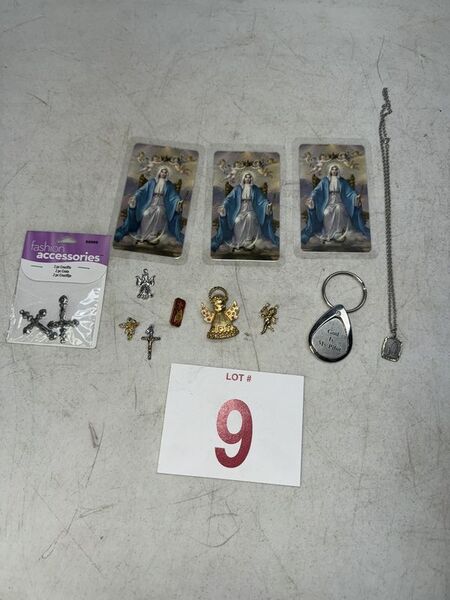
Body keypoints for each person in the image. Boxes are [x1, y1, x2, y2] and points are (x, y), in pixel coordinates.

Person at [301, 164, 370, 244]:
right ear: (330, 170)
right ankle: (328, 233)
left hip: (339, 201)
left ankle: (338, 232)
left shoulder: (342, 181)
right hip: (328, 202)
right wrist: (312, 197)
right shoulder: (325, 180)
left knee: (339, 209)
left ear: (338, 171)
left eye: (336, 169)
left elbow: (350, 192)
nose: (334, 171)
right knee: (326, 213)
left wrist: (355, 196)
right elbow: (316, 190)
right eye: (332, 169)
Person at [114, 166, 184, 245]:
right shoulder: (152, 182)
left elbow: (174, 196)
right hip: (151, 203)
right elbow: (141, 191)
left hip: (162, 204)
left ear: (167, 174)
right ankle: (143, 235)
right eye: (162, 172)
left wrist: (178, 201)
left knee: (159, 212)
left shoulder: (169, 184)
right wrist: (135, 196)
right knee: (146, 214)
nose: (163, 174)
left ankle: (154, 234)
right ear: (159, 172)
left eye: (165, 172)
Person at [211, 172, 279, 252]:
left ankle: (249, 240)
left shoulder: (255, 188)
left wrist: (267, 205)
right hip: (240, 210)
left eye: (249, 177)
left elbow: (262, 200)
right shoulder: (237, 188)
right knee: (237, 221)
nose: (248, 179)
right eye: (246, 177)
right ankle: (239, 241)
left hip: (251, 209)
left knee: (250, 217)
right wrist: (224, 205)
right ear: (243, 178)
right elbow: (229, 199)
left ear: (251, 179)